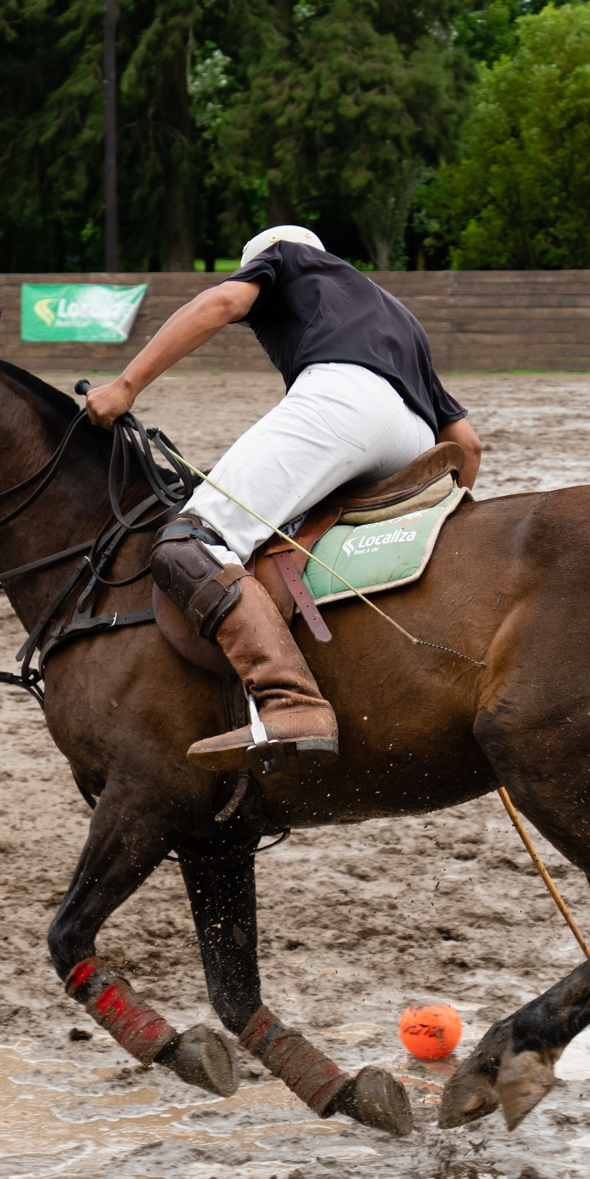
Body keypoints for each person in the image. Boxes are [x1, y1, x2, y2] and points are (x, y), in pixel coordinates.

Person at [82, 226, 483, 772]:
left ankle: (289, 701)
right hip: (413, 436)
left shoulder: (283, 257)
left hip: (343, 402)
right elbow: (468, 445)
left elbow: (222, 301)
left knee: (190, 539)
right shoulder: (394, 312)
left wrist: (125, 386)